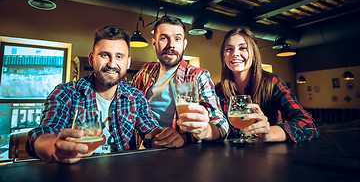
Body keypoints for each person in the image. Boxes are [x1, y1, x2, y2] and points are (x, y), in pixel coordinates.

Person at [26, 25, 180, 164]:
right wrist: (54, 148)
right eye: (105, 55)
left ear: (128, 62)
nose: (112, 64)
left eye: (119, 56)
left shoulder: (136, 97)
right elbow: (44, 134)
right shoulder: (66, 93)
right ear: (92, 59)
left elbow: (150, 132)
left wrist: (164, 137)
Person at [131, 16, 229, 145]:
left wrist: (206, 130)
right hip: (148, 148)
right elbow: (128, 103)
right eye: (164, 38)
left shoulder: (198, 75)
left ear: (184, 44)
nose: (171, 45)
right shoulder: (146, 71)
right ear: (154, 44)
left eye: (177, 39)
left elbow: (221, 124)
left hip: (184, 152)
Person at [215, 27, 319, 142]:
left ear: (254, 53)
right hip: (232, 156)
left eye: (243, 48)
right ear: (223, 56)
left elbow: (309, 124)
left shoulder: (272, 83)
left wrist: (270, 133)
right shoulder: (218, 90)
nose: (235, 53)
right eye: (229, 49)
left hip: (269, 155)